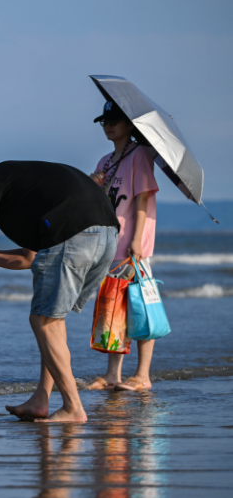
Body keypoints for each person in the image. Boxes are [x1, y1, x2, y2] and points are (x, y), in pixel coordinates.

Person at [0, 158, 119, 422]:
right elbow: (29, 258)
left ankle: (73, 408)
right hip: (107, 236)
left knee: (43, 321)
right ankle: (40, 399)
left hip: (74, 234)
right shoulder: (24, 188)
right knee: (52, 320)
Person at [87, 101, 160, 393]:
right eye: (104, 120)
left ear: (130, 125)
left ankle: (142, 376)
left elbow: (141, 199)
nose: (108, 124)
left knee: (139, 307)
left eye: (115, 120)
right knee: (113, 309)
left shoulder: (140, 154)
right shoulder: (105, 161)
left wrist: (136, 241)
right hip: (108, 244)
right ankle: (113, 375)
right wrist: (92, 184)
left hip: (133, 246)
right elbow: (94, 203)